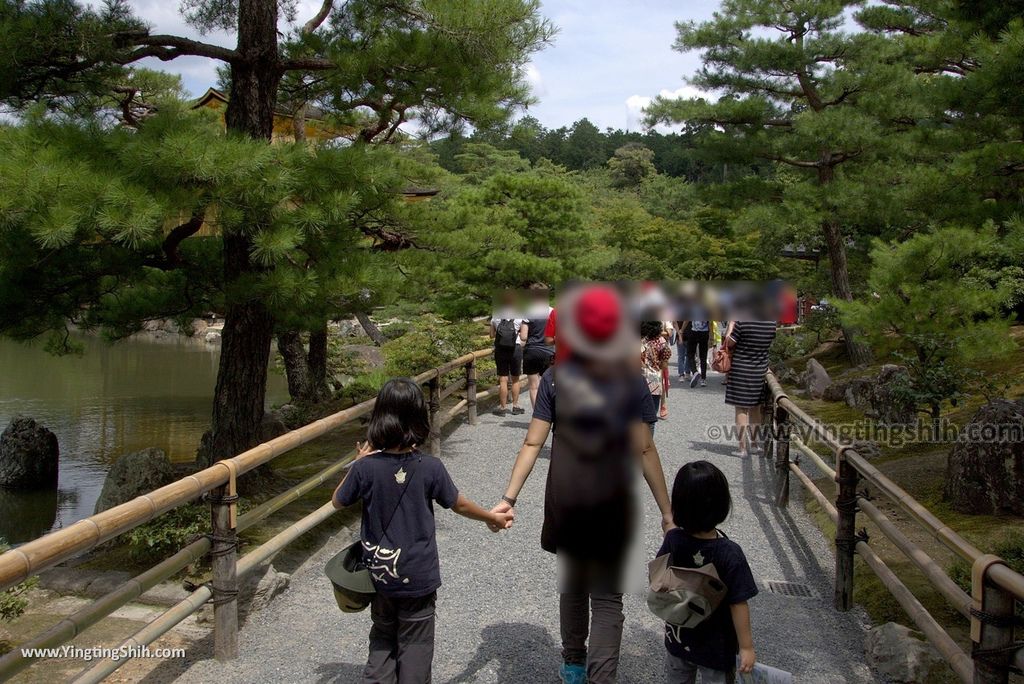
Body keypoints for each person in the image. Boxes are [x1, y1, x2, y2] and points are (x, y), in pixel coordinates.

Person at [492, 285, 673, 684]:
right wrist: (667, 512)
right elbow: (644, 452)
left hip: (567, 497)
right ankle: (601, 675)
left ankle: (574, 664)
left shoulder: (557, 379)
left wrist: (508, 498)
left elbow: (532, 442)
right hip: (612, 499)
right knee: (607, 597)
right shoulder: (632, 384)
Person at [332, 379, 514, 683]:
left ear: (380, 416)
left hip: (380, 574)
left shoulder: (365, 469)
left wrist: (357, 463)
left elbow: (337, 501)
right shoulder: (430, 467)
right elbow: (459, 505)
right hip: (417, 575)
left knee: (382, 637)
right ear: (419, 418)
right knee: (415, 645)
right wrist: (489, 518)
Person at [657, 461, 757, 684]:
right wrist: (746, 646)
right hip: (716, 644)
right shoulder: (729, 552)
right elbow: (738, 603)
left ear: (679, 505)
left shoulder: (674, 540)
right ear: (722, 504)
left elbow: (658, 575)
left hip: (679, 636)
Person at [723, 320, 777, 456]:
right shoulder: (771, 323)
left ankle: (742, 448)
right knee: (756, 407)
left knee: (741, 408)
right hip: (760, 368)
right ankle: (754, 444)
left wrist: (730, 327)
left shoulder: (742, 322)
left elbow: (729, 343)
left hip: (741, 367)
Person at [490, 296, 528, 416]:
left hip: (500, 349)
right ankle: (515, 406)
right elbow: (523, 336)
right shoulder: (520, 315)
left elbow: (491, 335)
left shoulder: (496, 315)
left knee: (503, 379)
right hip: (515, 349)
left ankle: (502, 408)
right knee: (515, 379)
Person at [523, 286, 555, 407]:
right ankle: (550, 416)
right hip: (549, 352)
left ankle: (537, 417)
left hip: (531, 351)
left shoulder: (528, 311)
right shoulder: (552, 311)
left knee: (533, 387)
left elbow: (524, 337)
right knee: (550, 385)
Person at [641, 320, 672, 426]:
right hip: (654, 381)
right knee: (651, 418)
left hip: (638, 381)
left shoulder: (639, 340)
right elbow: (665, 362)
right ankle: (648, 441)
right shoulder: (661, 341)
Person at [685, 320, 711, 388]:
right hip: (704, 332)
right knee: (703, 356)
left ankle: (695, 372)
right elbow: (710, 322)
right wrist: (711, 336)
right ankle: (703, 379)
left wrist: (681, 330)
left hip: (694, 331)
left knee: (690, 354)